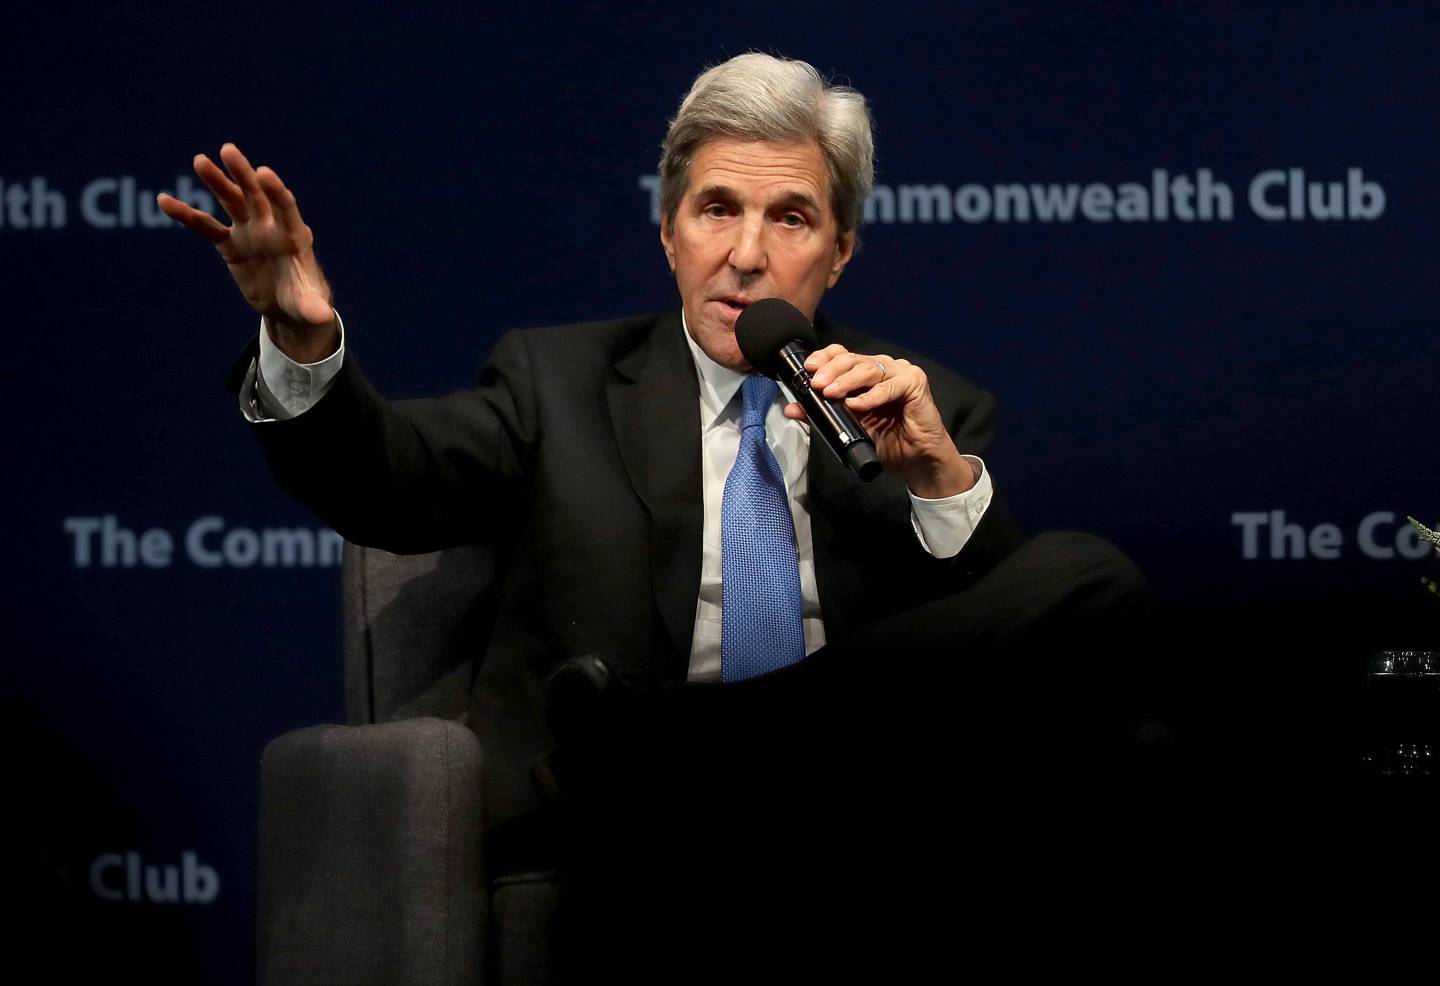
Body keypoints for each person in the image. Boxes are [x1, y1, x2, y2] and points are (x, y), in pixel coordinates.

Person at [161, 52, 1153, 975]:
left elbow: (1017, 659)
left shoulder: (924, 404)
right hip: (629, 826)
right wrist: (301, 344)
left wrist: (942, 482)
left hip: (844, 800)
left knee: (1089, 576)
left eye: (793, 219)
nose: (748, 255)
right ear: (668, 231)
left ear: (841, 252)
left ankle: (681, 737)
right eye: (718, 209)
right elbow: (387, 479)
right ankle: (672, 758)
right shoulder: (557, 383)